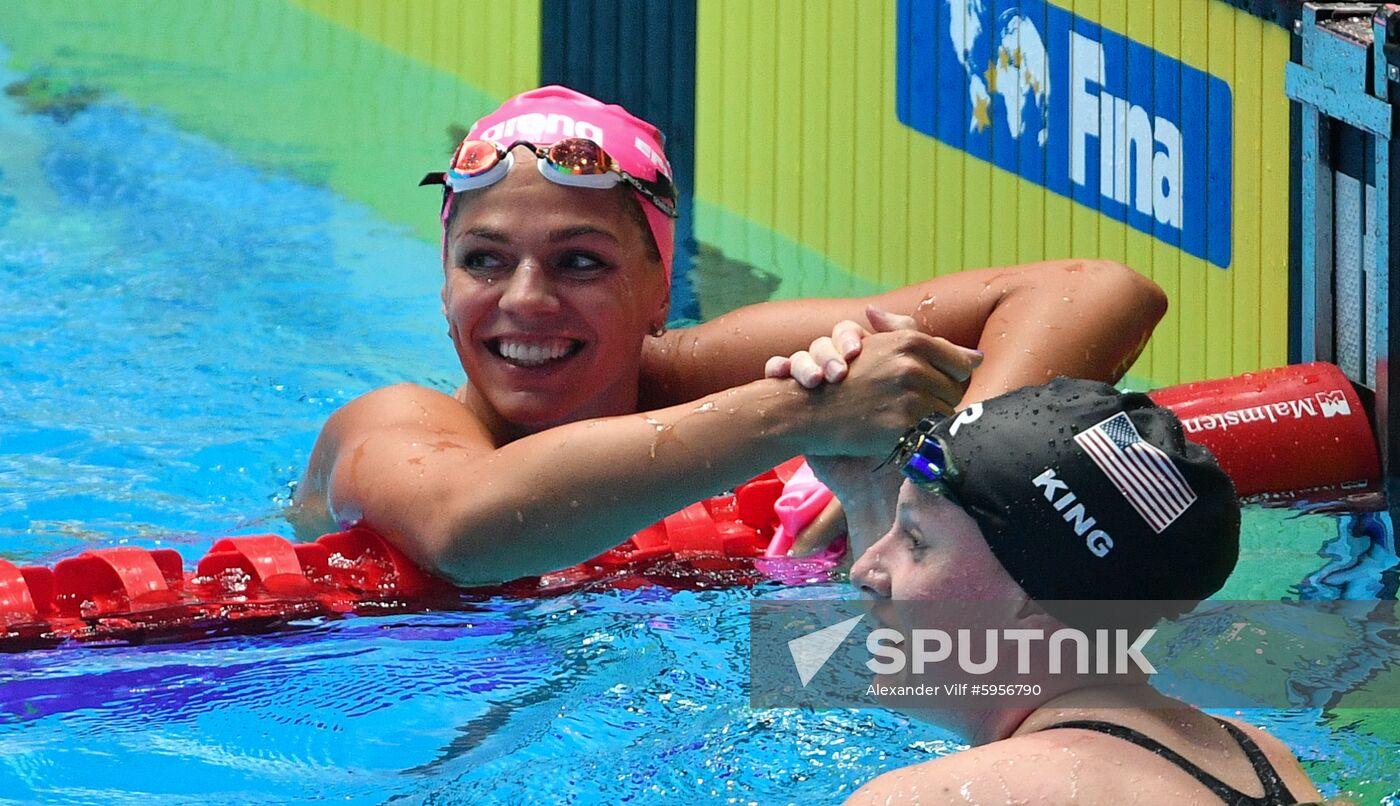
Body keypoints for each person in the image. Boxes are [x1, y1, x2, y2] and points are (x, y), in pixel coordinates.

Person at [290, 85, 1167, 586]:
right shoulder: (388, 427)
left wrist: (941, 473)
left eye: (580, 262)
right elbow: (466, 532)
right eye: (484, 261)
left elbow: (1100, 293)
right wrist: (801, 415)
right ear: (445, 285)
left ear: (658, 292)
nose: (526, 300)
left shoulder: (698, 369)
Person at [839, 378, 1326, 805]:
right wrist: (859, 495)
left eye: (915, 543)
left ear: (1036, 598)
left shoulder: (937, 797)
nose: (862, 570)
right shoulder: (1264, 761)